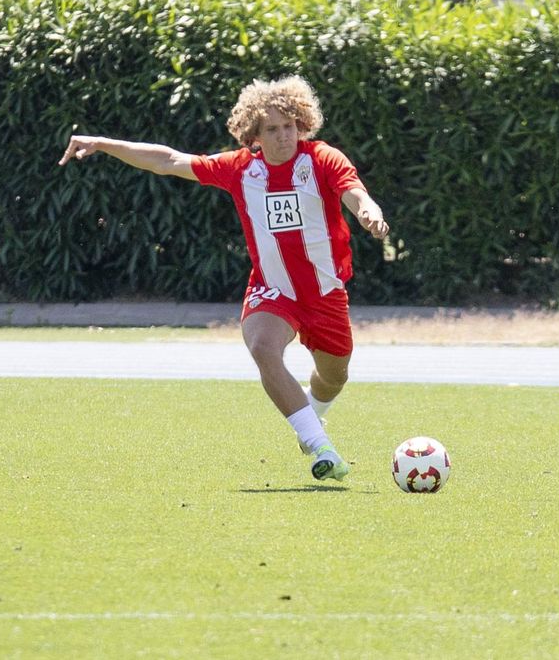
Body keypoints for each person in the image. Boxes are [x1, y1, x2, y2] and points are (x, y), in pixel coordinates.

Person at [59, 75, 390, 482]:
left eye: (289, 126)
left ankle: (312, 415)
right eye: (272, 129)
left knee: (334, 376)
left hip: (325, 294)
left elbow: (353, 190)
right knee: (261, 345)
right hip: (273, 290)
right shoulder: (241, 169)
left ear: (301, 125)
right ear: (254, 133)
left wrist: (368, 212)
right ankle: (320, 446)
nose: (284, 136)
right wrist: (104, 143)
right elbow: (168, 161)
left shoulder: (321, 159)